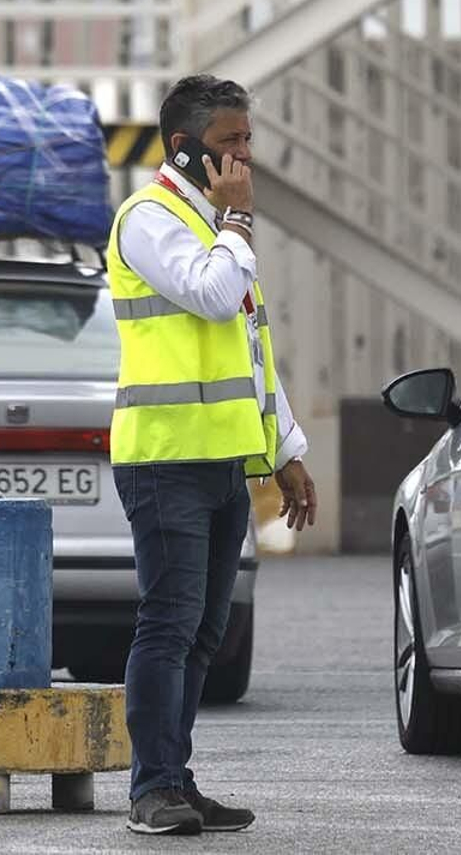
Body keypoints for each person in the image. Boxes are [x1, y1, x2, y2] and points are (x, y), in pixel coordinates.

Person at [106, 74, 317, 836]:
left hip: (224, 461)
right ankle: (150, 789)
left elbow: (251, 351)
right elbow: (213, 296)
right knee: (168, 624)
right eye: (228, 142)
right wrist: (235, 224)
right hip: (164, 460)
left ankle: (176, 778)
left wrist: (285, 450)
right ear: (183, 147)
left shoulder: (213, 226)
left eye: (246, 139)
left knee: (202, 631)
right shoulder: (151, 220)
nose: (243, 155)